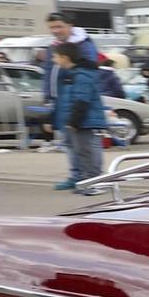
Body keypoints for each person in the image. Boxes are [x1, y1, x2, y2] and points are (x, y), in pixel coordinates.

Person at [50, 40, 108, 192]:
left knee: (87, 152)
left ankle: (94, 182)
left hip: (85, 121)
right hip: (81, 120)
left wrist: (74, 121)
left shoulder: (82, 75)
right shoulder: (74, 74)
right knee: (81, 152)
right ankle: (87, 181)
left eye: (55, 57)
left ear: (65, 58)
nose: (53, 60)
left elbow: (82, 99)